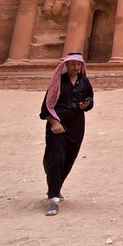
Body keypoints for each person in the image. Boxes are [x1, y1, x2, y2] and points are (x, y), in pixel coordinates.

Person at [40, 52, 94, 216]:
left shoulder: (84, 81)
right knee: (55, 159)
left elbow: (90, 98)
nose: (76, 67)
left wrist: (86, 104)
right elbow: (46, 107)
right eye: (73, 64)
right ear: (66, 65)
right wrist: (54, 123)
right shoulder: (57, 82)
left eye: (78, 65)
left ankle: (55, 188)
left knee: (68, 159)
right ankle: (53, 200)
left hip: (76, 126)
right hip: (58, 125)